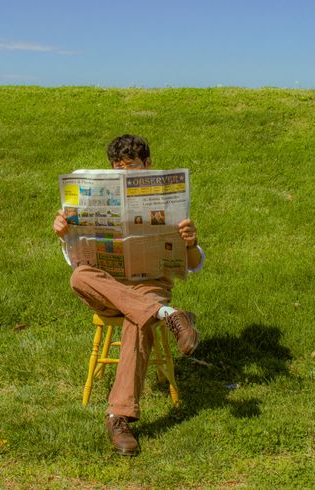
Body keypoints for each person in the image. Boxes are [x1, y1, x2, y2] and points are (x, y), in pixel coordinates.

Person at [52, 134, 205, 456]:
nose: (124, 173)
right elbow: (78, 261)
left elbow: (194, 265)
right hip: (110, 287)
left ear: (147, 165)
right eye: (118, 168)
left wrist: (190, 243)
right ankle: (169, 315)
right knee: (80, 276)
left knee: (137, 320)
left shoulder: (168, 200)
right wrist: (67, 236)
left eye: (131, 167)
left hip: (149, 285)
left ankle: (118, 417)